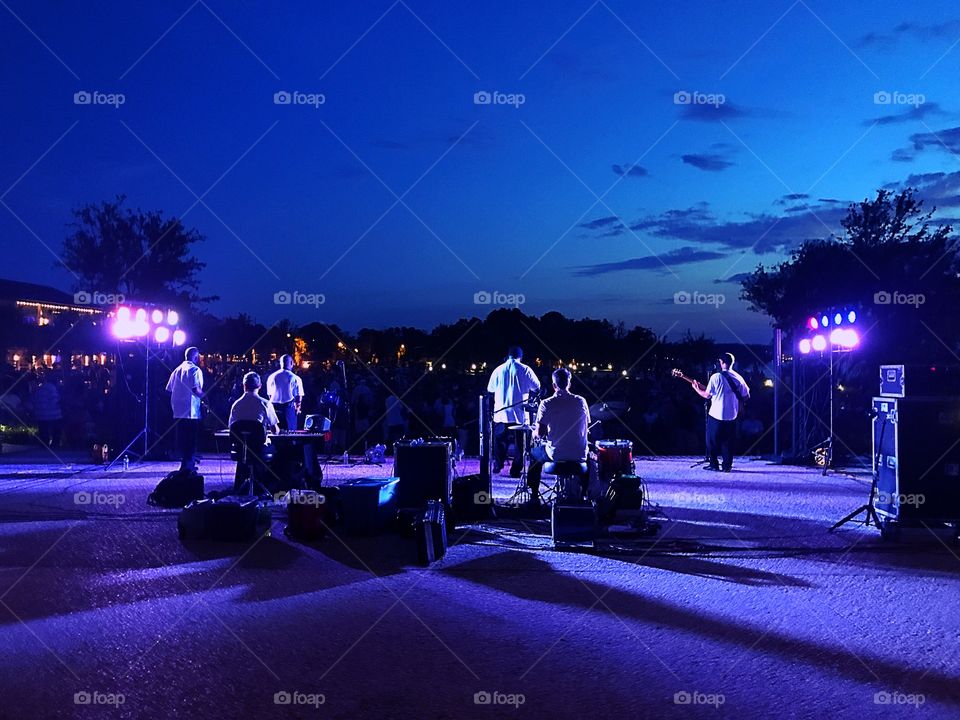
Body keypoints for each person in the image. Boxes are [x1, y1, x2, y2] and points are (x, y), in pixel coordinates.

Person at [528, 367, 590, 503]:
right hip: (579, 454)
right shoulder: (581, 401)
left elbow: (540, 433)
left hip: (556, 454)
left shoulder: (546, 404)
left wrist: (534, 432)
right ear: (569, 383)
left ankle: (533, 497)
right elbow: (586, 426)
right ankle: (584, 496)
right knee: (589, 456)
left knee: (533, 454)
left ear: (553, 385)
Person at [688, 352, 750, 472]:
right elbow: (746, 395)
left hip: (716, 414)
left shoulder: (716, 377)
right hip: (732, 415)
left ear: (721, 362)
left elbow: (707, 395)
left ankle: (714, 464)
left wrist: (696, 389)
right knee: (728, 442)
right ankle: (727, 466)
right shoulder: (738, 377)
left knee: (711, 441)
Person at [487, 346, 541, 476]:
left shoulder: (498, 370)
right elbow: (537, 387)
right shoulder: (525, 369)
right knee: (519, 444)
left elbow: (490, 389)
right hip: (519, 414)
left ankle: (498, 465)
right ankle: (515, 470)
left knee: (500, 440)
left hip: (501, 413)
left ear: (508, 356)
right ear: (520, 357)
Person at [228, 371, 280, 493]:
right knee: (279, 451)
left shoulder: (236, 404)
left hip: (241, 448)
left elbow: (232, 427)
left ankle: (242, 487)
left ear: (244, 385)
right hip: (259, 448)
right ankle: (266, 487)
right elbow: (275, 430)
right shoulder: (265, 403)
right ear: (260, 386)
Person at [165, 346, 204, 472]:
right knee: (191, 438)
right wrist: (206, 397)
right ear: (196, 357)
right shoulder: (194, 369)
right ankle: (188, 465)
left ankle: (186, 463)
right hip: (190, 409)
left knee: (183, 437)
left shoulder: (177, 370)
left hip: (177, 409)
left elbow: (168, 389)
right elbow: (195, 389)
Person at [266, 354, 304, 431]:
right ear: (291, 363)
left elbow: (269, 394)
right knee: (290, 433)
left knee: (275, 432)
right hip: (288, 408)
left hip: (274, 408)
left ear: (280, 363)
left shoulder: (271, 377)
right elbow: (299, 395)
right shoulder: (295, 378)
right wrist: (298, 407)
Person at [32, 378, 63, 448]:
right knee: (56, 430)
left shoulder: (40, 389)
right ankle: (55, 444)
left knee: (43, 431)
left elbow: (34, 400)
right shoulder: (53, 389)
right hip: (54, 414)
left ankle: (44, 444)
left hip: (41, 414)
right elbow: (55, 400)